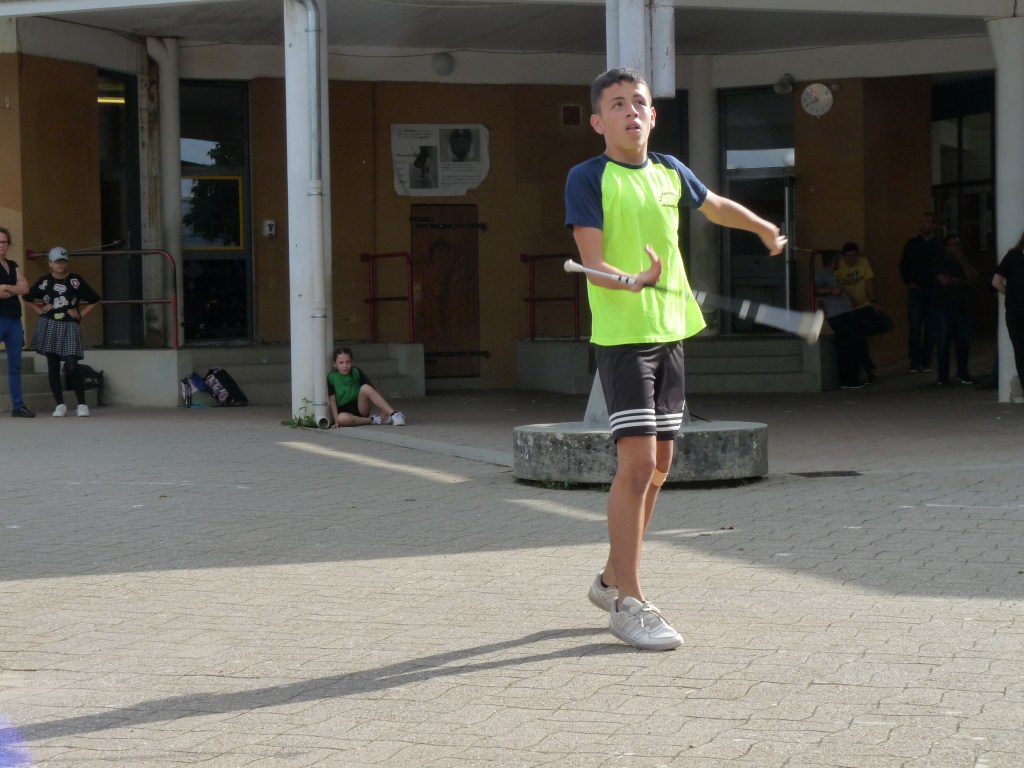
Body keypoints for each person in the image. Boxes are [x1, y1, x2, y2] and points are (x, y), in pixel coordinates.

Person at [565, 67, 785, 651]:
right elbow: (592, 263)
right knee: (636, 465)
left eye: (639, 102)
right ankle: (629, 603)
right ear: (598, 122)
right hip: (624, 339)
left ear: (653, 116)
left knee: (660, 466)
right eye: (617, 104)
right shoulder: (588, 177)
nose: (630, 111)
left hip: (671, 335)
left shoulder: (669, 171)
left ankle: (609, 579)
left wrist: (762, 226)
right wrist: (629, 278)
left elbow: (715, 206)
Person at [24, 247, 101, 416]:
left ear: (67, 263)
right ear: (50, 263)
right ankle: (60, 404)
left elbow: (95, 299)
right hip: (49, 324)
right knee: (53, 365)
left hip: (69, 325)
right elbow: (27, 297)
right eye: (57, 261)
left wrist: (80, 315)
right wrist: (40, 310)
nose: (60, 264)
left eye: (63, 261)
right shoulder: (45, 281)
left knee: (72, 365)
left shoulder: (75, 280)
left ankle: (81, 404)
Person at [836, 241, 892, 383]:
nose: (851, 259)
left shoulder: (863, 262)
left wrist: (874, 302)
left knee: (887, 322)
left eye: (854, 255)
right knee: (859, 341)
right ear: (844, 256)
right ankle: (870, 369)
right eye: (848, 256)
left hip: (864, 305)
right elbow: (839, 287)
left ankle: (859, 331)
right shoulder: (839, 267)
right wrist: (848, 300)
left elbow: (869, 282)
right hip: (849, 310)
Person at [814, 250, 870, 389]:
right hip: (838, 315)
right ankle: (847, 380)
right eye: (837, 260)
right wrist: (831, 291)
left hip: (846, 313)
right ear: (833, 261)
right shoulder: (823, 275)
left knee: (855, 343)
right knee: (847, 346)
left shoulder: (833, 275)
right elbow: (814, 289)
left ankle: (853, 377)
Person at [931, 233, 976, 386]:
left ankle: (963, 373)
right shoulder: (939, 261)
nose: (954, 248)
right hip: (943, 307)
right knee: (943, 342)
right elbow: (944, 280)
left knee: (963, 342)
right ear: (945, 247)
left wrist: (962, 261)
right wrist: (962, 282)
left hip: (962, 307)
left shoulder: (964, 262)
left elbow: (973, 279)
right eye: (951, 245)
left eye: (957, 245)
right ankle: (943, 376)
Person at [900, 212, 943, 373]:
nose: (923, 225)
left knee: (931, 328)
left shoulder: (939, 245)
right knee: (915, 327)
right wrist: (909, 281)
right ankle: (915, 362)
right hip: (917, 290)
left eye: (926, 222)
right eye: (921, 222)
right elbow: (904, 265)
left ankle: (926, 361)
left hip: (934, 290)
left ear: (934, 226)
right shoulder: (912, 244)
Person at [0, 227, 35, 417]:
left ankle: (18, 406)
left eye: (4, 242)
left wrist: (7, 287)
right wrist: (15, 288)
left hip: (14, 320)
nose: (1, 245)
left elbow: (25, 288)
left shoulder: (13, 265)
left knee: (15, 365)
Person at [327, 347, 406, 427]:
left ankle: (394, 414)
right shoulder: (331, 377)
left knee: (365, 387)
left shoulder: (356, 372)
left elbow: (371, 390)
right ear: (335, 364)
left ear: (352, 362)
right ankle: (374, 419)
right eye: (341, 362)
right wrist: (336, 422)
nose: (345, 366)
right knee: (342, 419)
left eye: (348, 362)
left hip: (361, 407)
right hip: (345, 413)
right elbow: (332, 401)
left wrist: (383, 409)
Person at [993, 230, 1024, 389]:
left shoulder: (1013, 256)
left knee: (1020, 351)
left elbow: (996, 282)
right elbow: (996, 282)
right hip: (1016, 311)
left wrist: (1011, 294)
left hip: (1015, 309)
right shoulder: (1013, 256)